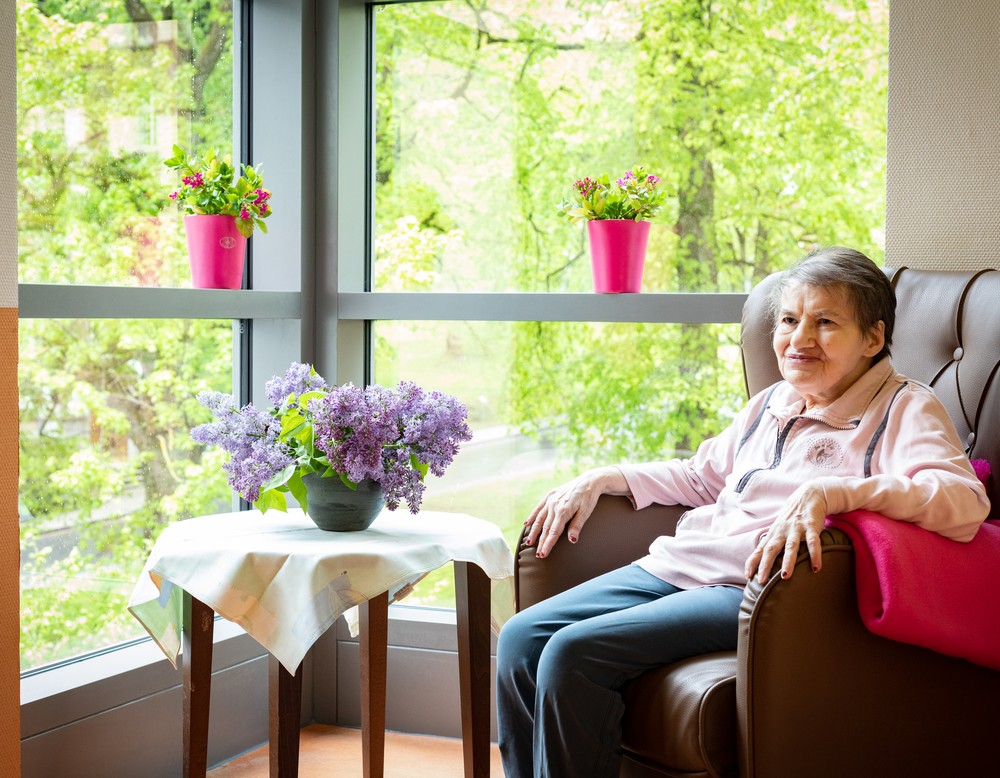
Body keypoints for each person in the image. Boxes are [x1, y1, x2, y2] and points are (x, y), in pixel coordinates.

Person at [495, 247, 990, 778]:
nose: (799, 339)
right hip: (678, 565)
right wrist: (603, 478)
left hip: (751, 587)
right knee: (521, 639)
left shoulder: (905, 407)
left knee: (573, 654)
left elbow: (963, 503)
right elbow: (700, 476)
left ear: (872, 337)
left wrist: (837, 492)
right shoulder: (772, 401)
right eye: (789, 320)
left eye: (825, 323)